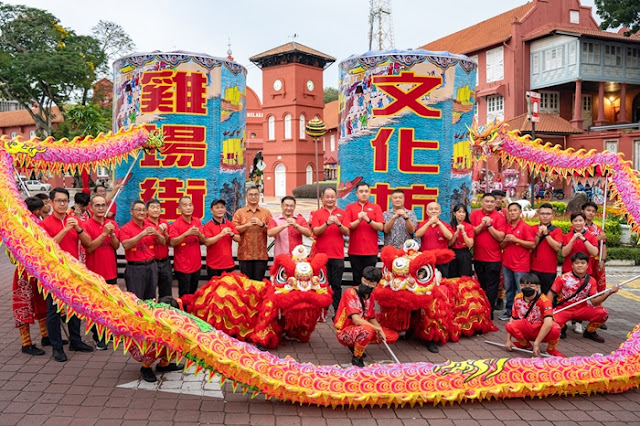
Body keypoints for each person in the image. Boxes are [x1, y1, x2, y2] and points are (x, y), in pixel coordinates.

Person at [40, 187, 94, 362]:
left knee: (75, 307)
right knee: (54, 311)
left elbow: (87, 243)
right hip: (53, 273)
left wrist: (78, 229)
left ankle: (76, 340)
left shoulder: (74, 220)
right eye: (59, 201)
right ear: (51, 202)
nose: (62, 204)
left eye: (65, 201)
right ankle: (57, 347)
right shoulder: (44, 224)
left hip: (73, 271)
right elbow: (47, 247)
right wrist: (64, 230)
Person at [334, 266, 399, 367]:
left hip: (360, 328)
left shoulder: (371, 296)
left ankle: (357, 344)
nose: (367, 285)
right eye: (365, 281)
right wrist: (376, 328)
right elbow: (356, 320)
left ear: (377, 284)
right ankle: (357, 358)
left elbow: (371, 317)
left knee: (391, 336)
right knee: (367, 330)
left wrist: (380, 330)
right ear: (362, 279)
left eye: (371, 283)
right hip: (344, 332)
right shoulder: (350, 293)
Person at [548, 252, 617, 343]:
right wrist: (548, 311)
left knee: (603, 313)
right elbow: (550, 294)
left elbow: (595, 302)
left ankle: (589, 332)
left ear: (587, 265)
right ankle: (563, 327)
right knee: (551, 325)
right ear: (572, 265)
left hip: (581, 309)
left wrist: (609, 293)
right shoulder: (562, 278)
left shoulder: (591, 281)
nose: (580, 265)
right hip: (564, 309)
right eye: (577, 263)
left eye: (582, 263)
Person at [82, 194, 120, 350]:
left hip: (111, 271)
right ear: (91, 207)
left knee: (110, 305)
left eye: (103, 205)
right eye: (97, 205)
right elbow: (89, 247)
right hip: (94, 273)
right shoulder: (86, 225)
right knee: (95, 307)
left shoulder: (112, 224)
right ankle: (98, 336)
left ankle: (108, 333)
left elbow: (117, 246)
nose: (100, 208)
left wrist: (111, 234)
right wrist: (104, 233)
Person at [13, 197, 49, 356]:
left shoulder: (25, 222)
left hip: (32, 271)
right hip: (26, 272)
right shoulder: (27, 224)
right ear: (36, 210)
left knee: (38, 304)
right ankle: (26, 344)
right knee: (25, 305)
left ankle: (44, 336)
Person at [311, 187, 350, 313]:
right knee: (323, 284)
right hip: (321, 257)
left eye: (332, 197)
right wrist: (327, 223)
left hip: (337, 255)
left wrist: (338, 223)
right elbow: (316, 231)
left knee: (336, 285)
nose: (330, 199)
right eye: (327, 197)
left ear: (336, 198)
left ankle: (337, 310)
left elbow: (347, 231)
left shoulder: (342, 213)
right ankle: (323, 309)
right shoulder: (317, 213)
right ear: (322, 198)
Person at [505, 274, 563, 357]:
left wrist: (537, 343)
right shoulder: (517, 298)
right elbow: (513, 318)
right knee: (510, 325)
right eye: (524, 285)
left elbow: (548, 323)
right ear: (520, 286)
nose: (527, 288)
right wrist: (508, 340)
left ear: (537, 287)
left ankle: (551, 350)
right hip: (526, 327)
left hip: (540, 329)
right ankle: (525, 345)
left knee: (555, 328)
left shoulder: (545, 300)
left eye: (531, 286)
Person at [131, 296, 184, 382]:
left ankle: (164, 365)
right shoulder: (148, 315)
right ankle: (146, 368)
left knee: (178, 346)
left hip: (167, 337)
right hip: (149, 341)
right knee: (151, 349)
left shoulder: (177, 308)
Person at [470, 193, 506, 315]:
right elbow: (471, 233)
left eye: (492, 201)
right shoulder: (475, 214)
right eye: (487, 201)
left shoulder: (499, 217)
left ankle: (488, 312)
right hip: (478, 257)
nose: (489, 204)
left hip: (494, 259)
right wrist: (482, 225)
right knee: (481, 285)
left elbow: (501, 237)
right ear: (482, 202)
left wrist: (489, 225)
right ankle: (480, 310)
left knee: (492, 287)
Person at [120, 201, 164, 300]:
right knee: (136, 299)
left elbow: (162, 242)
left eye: (144, 210)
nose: (142, 212)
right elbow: (126, 245)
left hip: (151, 266)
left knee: (151, 298)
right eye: (138, 210)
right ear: (131, 212)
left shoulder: (150, 226)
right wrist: (141, 234)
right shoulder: (125, 228)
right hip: (135, 268)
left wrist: (157, 234)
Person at [499, 202, 535, 321]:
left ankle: (522, 313)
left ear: (520, 212)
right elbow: (502, 245)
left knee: (521, 290)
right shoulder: (507, 226)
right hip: (507, 263)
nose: (512, 213)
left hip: (521, 265)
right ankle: (509, 311)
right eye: (510, 211)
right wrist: (505, 241)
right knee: (509, 289)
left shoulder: (525, 227)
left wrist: (516, 239)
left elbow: (532, 244)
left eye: (515, 210)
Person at [345, 183, 384, 287]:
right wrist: (358, 220)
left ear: (369, 193)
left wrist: (368, 220)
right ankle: (357, 301)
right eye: (361, 191)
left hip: (371, 251)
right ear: (356, 193)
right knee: (357, 279)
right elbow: (347, 227)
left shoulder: (375, 207)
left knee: (370, 280)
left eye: (366, 191)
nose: (364, 194)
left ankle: (369, 302)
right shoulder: (350, 207)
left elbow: (380, 227)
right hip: (355, 250)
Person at [233, 186, 272, 281]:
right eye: (251, 194)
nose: (253, 197)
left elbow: (272, 231)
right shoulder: (239, 212)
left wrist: (261, 224)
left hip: (261, 255)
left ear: (259, 196)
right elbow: (234, 230)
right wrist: (247, 225)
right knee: (246, 284)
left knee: (259, 283)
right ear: (246, 196)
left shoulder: (266, 213)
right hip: (245, 255)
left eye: (256, 194)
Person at [169, 196, 205, 296]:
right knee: (184, 295)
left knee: (194, 294)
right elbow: (172, 242)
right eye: (185, 205)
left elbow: (203, 240)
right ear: (179, 208)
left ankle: (192, 311)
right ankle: (183, 311)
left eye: (190, 205)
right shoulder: (176, 224)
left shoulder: (197, 221)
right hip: (183, 267)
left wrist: (199, 234)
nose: (188, 208)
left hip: (196, 265)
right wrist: (186, 234)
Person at [530, 203, 563, 294]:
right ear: (538, 215)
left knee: (547, 295)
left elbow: (557, 247)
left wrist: (546, 234)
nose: (545, 216)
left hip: (549, 269)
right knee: (532, 295)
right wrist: (538, 234)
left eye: (548, 214)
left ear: (552, 216)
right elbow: (530, 247)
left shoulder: (557, 230)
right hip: (533, 267)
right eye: (542, 213)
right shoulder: (532, 229)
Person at [203, 199, 240, 279]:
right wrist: (221, 234)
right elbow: (207, 242)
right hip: (213, 266)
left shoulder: (229, 224)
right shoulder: (207, 226)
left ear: (225, 209)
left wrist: (232, 234)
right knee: (214, 290)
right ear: (211, 210)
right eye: (217, 207)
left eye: (222, 207)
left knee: (229, 289)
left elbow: (239, 239)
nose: (220, 210)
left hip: (229, 264)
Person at [415, 202, 453, 277]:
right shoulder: (422, 224)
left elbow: (449, 237)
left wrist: (439, 223)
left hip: (441, 260)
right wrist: (429, 223)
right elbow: (417, 235)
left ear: (440, 211)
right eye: (431, 209)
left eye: (436, 209)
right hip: (426, 259)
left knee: (442, 282)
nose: (433, 211)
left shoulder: (445, 225)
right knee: (425, 282)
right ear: (426, 212)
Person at [146, 200, 172, 298]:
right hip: (151, 262)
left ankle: (165, 311)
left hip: (165, 261)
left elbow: (169, 242)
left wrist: (165, 233)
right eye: (153, 207)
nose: (156, 209)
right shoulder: (144, 223)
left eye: (158, 207)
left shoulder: (164, 222)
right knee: (150, 290)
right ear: (147, 210)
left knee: (166, 290)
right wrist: (157, 232)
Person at [448, 204, 474, 278]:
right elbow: (449, 244)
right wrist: (456, 233)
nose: (461, 214)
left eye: (463, 212)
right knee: (452, 277)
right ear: (454, 213)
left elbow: (470, 244)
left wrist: (463, 232)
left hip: (464, 253)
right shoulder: (450, 226)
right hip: (452, 253)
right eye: (459, 212)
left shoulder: (469, 226)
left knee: (464, 278)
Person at [71, 192, 91, 265]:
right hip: (75, 244)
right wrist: (77, 217)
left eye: (86, 206)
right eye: (82, 206)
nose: (84, 208)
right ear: (76, 203)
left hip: (85, 243)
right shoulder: (69, 213)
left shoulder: (88, 213)